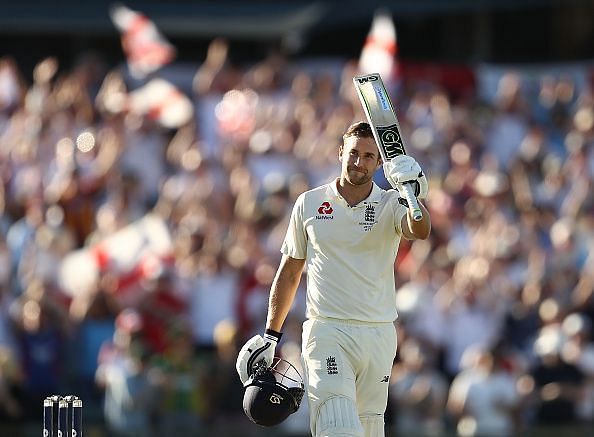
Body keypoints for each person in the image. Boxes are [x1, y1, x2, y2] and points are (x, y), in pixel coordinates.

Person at [237, 120, 430, 437]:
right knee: (337, 426)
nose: (359, 162)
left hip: (378, 333)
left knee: (370, 428)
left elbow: (420, 230)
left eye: (369, 156)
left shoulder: (392, 203)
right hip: (328, 329)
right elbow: (289, 272)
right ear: (341, 152)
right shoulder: (310, 202)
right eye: (353, 153)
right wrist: (271, 336)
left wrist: (413, 196)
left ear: (379, 162)